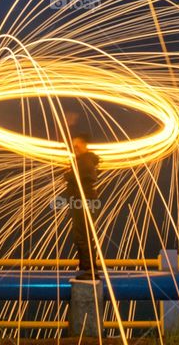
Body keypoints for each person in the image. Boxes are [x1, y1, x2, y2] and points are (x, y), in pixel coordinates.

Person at [61, 110, 102, 280]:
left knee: (83, 236)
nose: (75, 149)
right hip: (80, 201)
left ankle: (89, 271)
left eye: (77, 146)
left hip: (82, 202)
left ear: (84, 146)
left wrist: (68, 173)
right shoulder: (83, 160)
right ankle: (86, 267)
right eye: (73, 147)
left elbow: (78, 177)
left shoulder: (85, 160)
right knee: (81, 236)